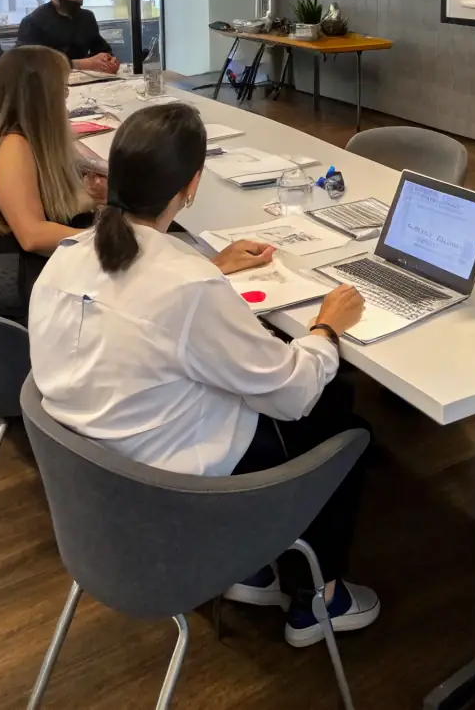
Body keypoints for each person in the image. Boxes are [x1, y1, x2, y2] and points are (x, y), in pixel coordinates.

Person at [28, 101, 380, 647]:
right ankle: (319, 600)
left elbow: (142, 301)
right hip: (174, 488)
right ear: (191, 186)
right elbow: (291, 393)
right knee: (341, 415)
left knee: (295, 393)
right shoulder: (186, 285)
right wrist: (326, 329)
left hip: (106, 475)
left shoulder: (70, 254)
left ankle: (253, 569)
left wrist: (212, 270)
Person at [0, 45, 105, 322]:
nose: (67, 96)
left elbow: (45, 200)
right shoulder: (13, 147)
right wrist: (110, 240)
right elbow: (32, 236)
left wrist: (88, 196)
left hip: (25, 272)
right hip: (16, 285)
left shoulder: (27, 141)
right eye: (63, 88)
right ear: (41, 97)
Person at [16, 0, 118, 74]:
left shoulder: (87, 18)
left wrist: (110, 61)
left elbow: (103, 51)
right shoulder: (33, 22)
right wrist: (85, 64)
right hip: (49, 88)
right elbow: (27, 64)